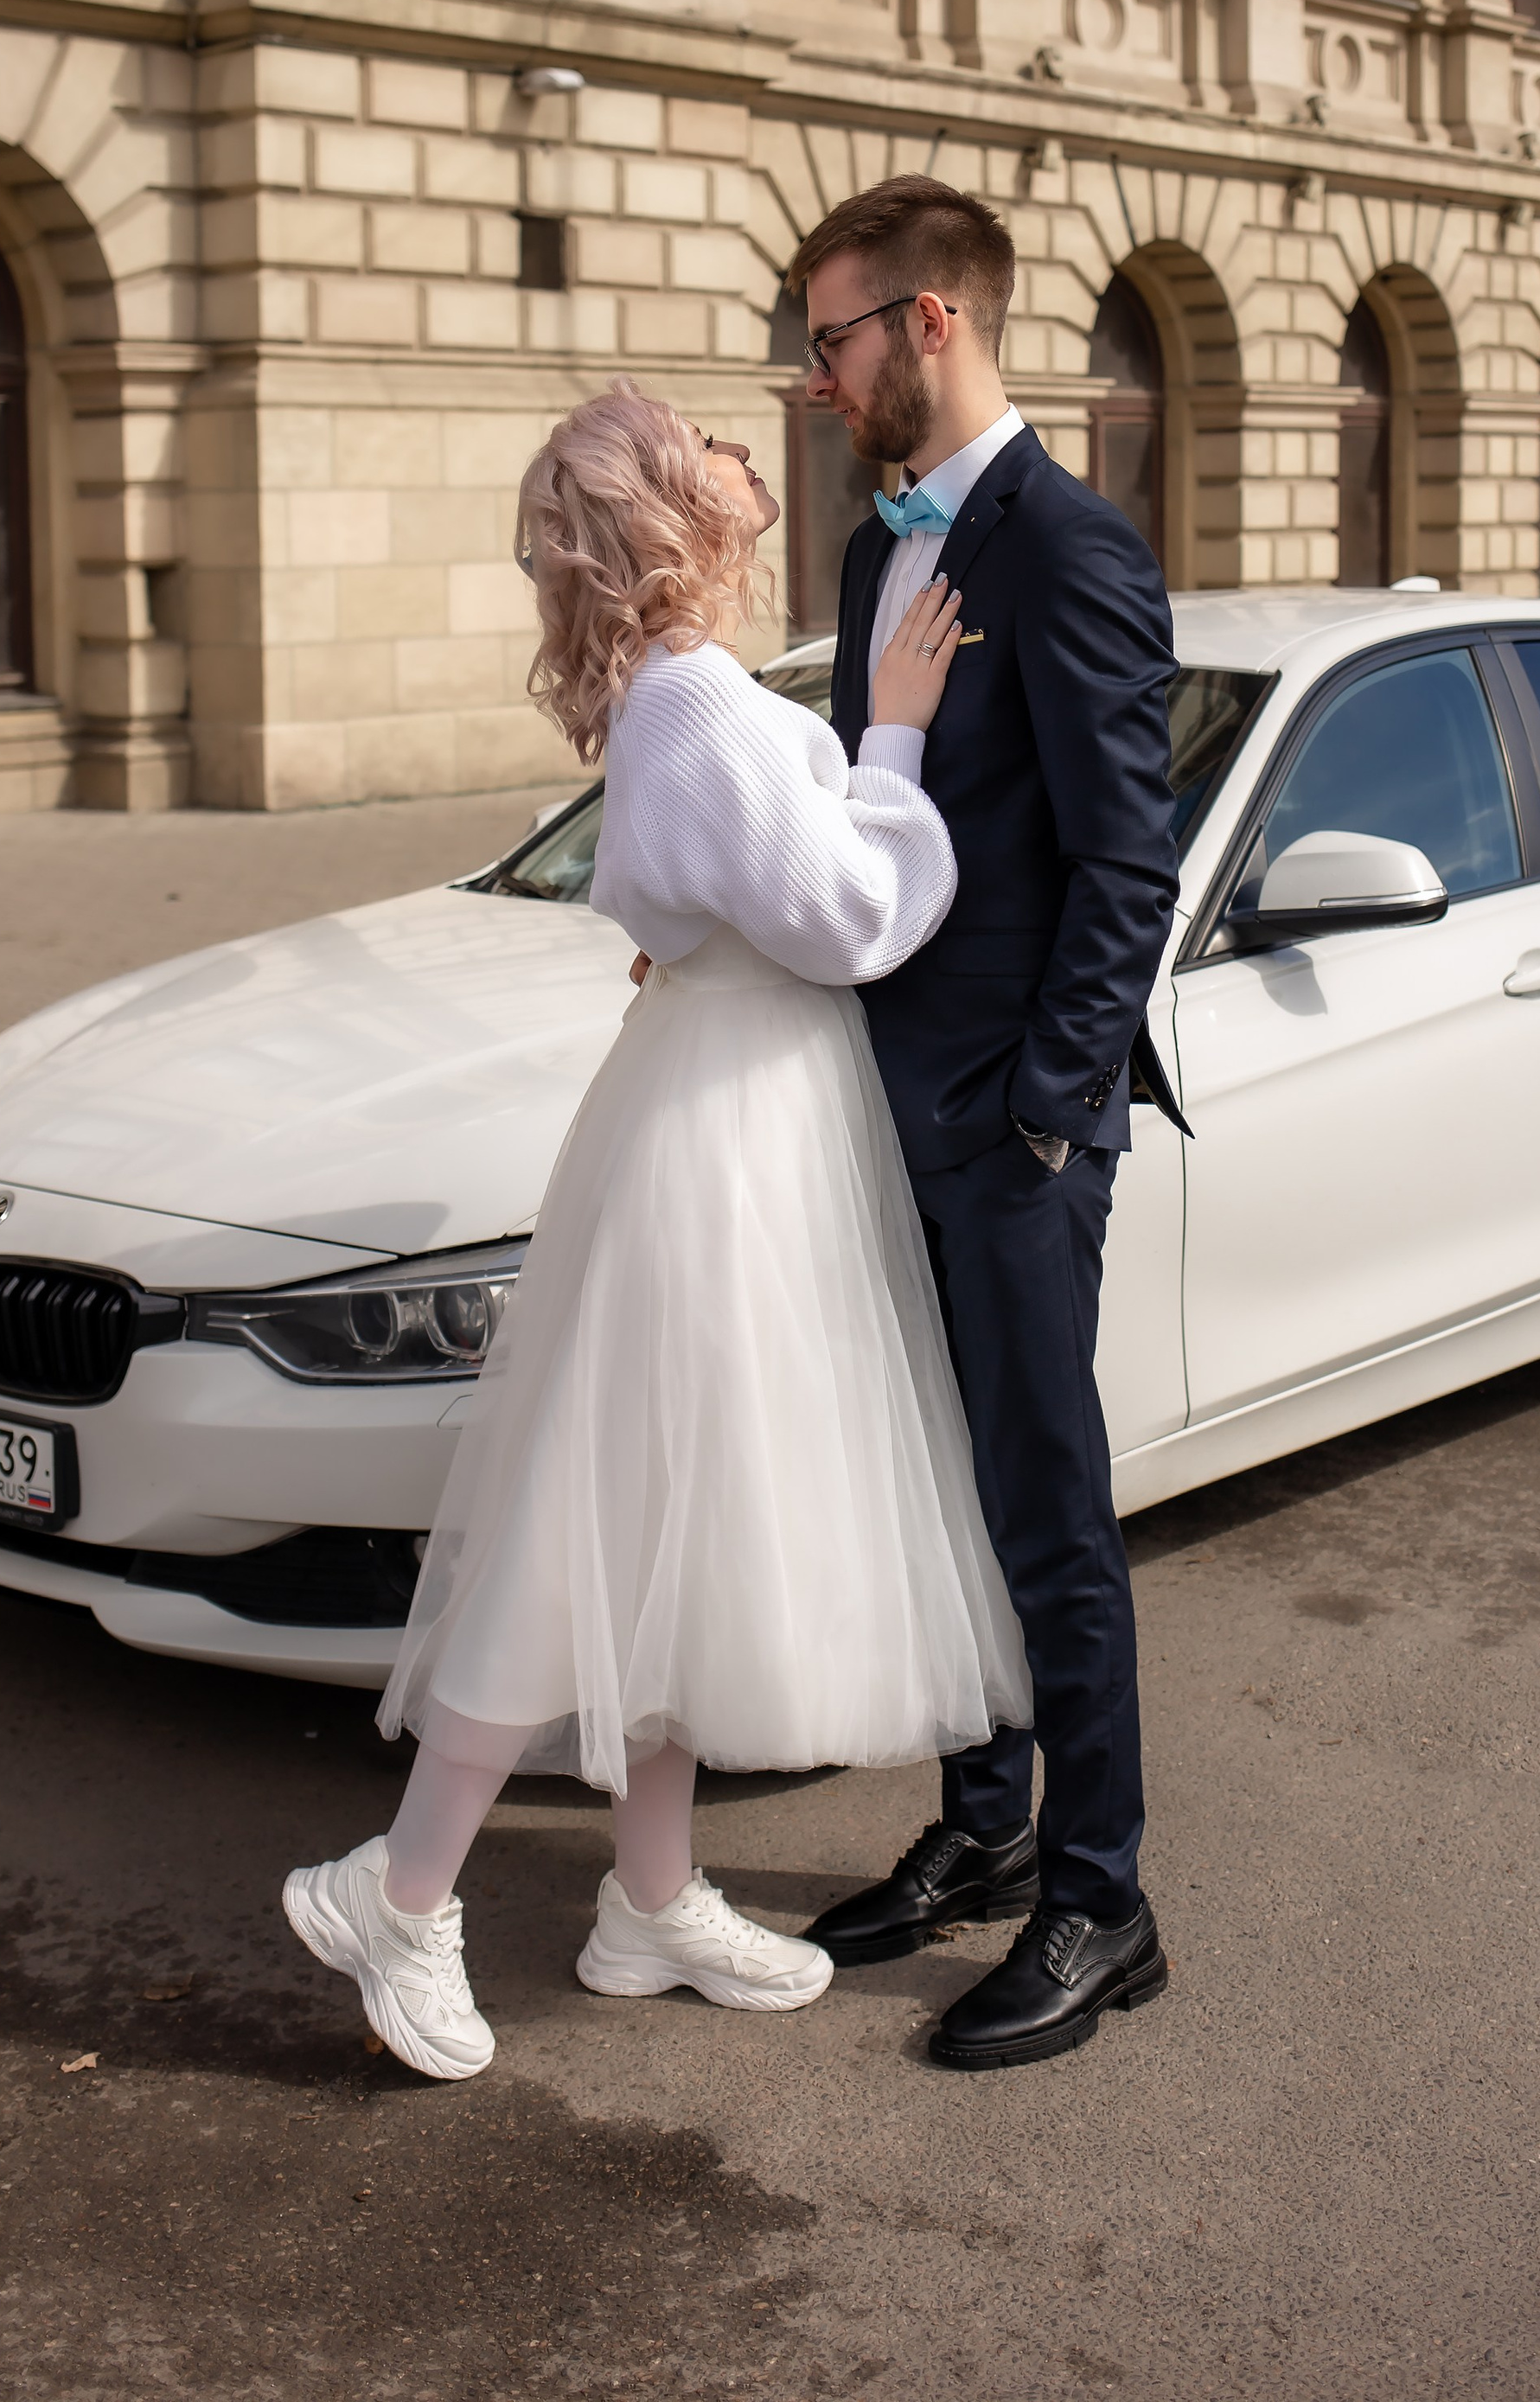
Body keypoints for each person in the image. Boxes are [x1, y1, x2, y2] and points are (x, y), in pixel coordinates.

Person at [284, 381, 1029, 2080]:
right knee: (598, 1520)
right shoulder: (696, 699)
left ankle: (650, 1897)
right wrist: (897, 739)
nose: (746, 450)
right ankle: (398, 1892)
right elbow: (852, 918)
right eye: (707, 442)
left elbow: (720, 901)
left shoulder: (685, 693)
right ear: (664, 509)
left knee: (682, 1517)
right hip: (725, 1135)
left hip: (734, 1109)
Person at [793, 176, 1182, 2073]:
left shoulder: (1074, 548)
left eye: (832, 337)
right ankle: (986, 1819)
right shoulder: (871, 556)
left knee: (1042, 1509)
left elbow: (1127, 866)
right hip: (890, 1110)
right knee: (942, 1496)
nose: (816, 377)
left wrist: (1044, 1118)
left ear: (928, 322)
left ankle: (1102, 1897)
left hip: (1014, 1135)